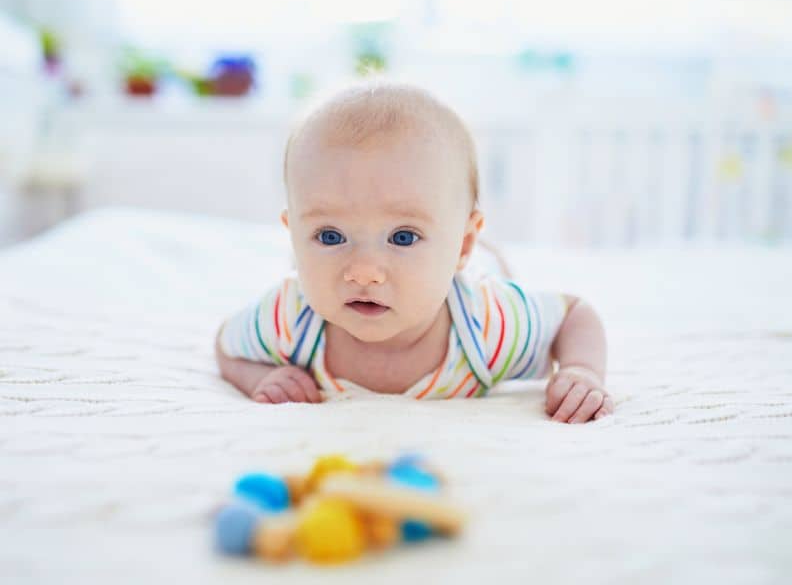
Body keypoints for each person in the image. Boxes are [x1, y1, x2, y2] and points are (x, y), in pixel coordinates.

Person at [215, 81, 611, 423]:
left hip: (474, 276)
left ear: (462, 245)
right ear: (293, 236)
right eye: (329, 236)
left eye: (403, 237)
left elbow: (573, 315)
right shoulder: (290, 315)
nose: (365, 272)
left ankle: (483, 252)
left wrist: (581, 370)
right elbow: (225, 344)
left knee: (497, 269)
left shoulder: (488, 323)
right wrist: (258, 379)